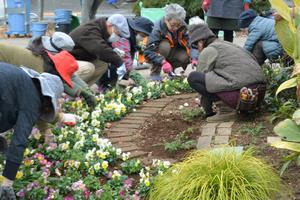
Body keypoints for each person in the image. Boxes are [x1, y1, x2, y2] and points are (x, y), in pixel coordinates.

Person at [0, 63, 65, 199]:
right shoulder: (32, 99)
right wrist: (7, 183)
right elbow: (19, 140)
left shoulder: (21, 79)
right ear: (47, 100)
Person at [187, 23, 266, 122]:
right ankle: (242, 110)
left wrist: (208, 112)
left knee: (194, 77)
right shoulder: (227, 45)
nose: (197, 50)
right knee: (211, 76)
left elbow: (202, 81)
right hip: (258, 95)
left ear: (201, 41)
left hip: (241, 97)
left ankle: (226, 111)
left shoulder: (209, 50)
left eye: (195, 45)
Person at [69, 14, 127, 86]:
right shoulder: (90, 30)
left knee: (102, 64)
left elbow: (101, 44)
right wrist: (119, 62)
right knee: (88, 68)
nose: (118, 38)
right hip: (64, 62)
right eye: (118, 34)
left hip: (77, 58)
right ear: (110, 25)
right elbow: (100, 50)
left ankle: (83, 90)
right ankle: (67, 91)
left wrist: (113, 50)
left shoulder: (101, 28)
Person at [144, 3, 191, 81]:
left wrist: (195, 57)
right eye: (173, 25)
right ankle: (155, 72)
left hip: (174, 50)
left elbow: (190, 42)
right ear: (166, 20)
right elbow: (148, 51)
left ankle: (173, 72)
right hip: (161, 51)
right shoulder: (157, 28)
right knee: (164, 46)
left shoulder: (183, 26)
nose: (176, 28)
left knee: (185, 56)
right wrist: (163, 62)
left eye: (178, 25)